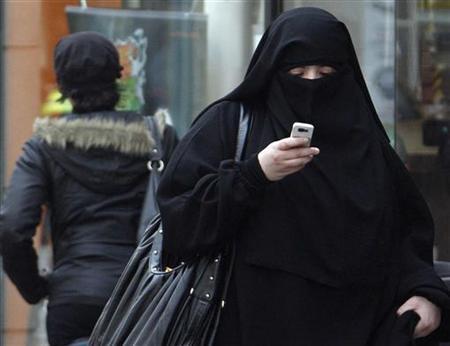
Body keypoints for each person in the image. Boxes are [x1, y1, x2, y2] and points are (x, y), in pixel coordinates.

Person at [157, 7, 450, 346]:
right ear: (272, 71)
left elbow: (405, 233)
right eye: (297, 71)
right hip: (251, 325)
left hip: (361, 327)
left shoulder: (366, 142)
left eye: (325, 72)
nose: (311, 83)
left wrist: (424, 293)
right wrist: (254, 173)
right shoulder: (229, 125)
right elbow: (180, 223)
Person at [0, 32, 178, 346]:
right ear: (119, 76)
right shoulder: (158, 137)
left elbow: (14, 226)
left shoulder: (43, 147)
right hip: (144, 295)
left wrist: (35, 288)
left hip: (73, 298)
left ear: (62, 85)